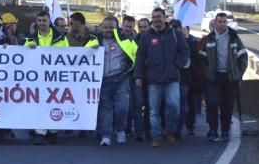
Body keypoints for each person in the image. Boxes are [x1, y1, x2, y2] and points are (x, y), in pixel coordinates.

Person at [133, 8, 189, 147]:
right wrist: (138, 76)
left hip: (172, 78)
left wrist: (178, 65)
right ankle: (156, 136)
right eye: (154, 17)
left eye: (159, 16)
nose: (157, 19)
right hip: (153, 79)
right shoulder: (146, 36)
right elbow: (140, 57)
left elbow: (185, 51)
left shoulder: (176, 34)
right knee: (153, 110)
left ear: (165, 18)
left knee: (174, 106)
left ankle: (170, 131)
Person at [198, 12, 249, 142]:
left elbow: (243, 57)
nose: (222, 24)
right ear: (215, 23)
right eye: (219, 22)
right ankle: (213, 130)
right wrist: (207, 73)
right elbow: (201, 59)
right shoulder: (209, 39)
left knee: (227, 105)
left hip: (230, 78)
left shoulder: (234, 38)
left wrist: (238, 74)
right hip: (214, 78)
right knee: (212, 103)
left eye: (224, 22)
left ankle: (225, 130)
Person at [25, 10, 68, 145]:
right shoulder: (30, 38)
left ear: (49, 21)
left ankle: (52, 132)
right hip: (37, 78)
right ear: (36, 22)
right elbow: (23, 56)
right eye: (39, 21)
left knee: (55, 103)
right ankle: (40, 133)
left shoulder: (61, 38)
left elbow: (68, 56)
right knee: (38, 104)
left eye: (44, 20)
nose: (42, 23)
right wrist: (28, 47)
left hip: (55, 77)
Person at [95, 16, 136, 146]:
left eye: (111, 27)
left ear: (116, 28)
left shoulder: (126, 41)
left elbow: (138, 55)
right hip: (103, 80)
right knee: (105, 109)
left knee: (122, 108)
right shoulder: (94, 40)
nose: (108, 30)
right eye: (105, 27)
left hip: (121, 78)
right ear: (101, 27)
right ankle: (106, 136)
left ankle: (120, 130)